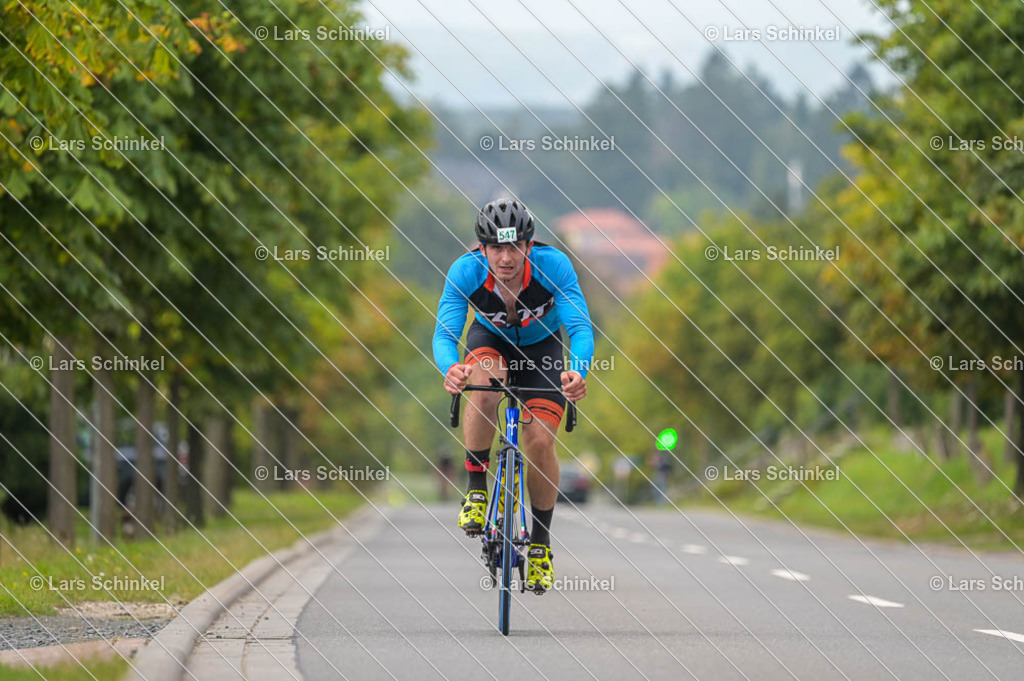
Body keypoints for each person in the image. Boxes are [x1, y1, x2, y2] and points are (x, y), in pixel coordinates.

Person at [432, 198, 594, 594]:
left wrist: (578, 371)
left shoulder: (553, 267)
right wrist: (450, 368)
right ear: (482, 248)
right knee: (483, 385)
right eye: (497, 249)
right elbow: (444, 334)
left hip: (543, 350)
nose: (506, 258)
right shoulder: (464, 272)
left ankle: (539, 544)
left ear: (529, 244)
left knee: (539, 441)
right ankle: (475, 490)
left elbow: (580, 328)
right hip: (491, 343)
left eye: (515, 247)